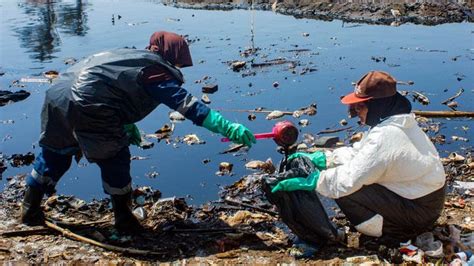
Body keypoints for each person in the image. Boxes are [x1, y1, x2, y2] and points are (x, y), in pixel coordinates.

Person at [21, 31, 256, 233]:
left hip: (58, 95)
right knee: (115, 158)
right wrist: (227, 127)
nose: (178, 67)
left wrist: (125, 123)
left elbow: (111, 84)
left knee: (55, 153)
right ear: (172, 55)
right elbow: (188, 106)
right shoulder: (155, 71)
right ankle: (124, 220)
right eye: (179, 62)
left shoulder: (127, 57)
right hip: (89, 103)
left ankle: (29, 210)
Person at [272, 71, 446, 239]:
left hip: (419, 212)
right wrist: (324, 159)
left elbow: (348, 180)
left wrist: (313, 181)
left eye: (360, 106)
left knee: (344, 190)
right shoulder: (397, 123)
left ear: (377, 106)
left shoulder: (386, 136)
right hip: (425, 199)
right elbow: (360, 154)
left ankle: (394, 231)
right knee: (341, 174)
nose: (355, 113)